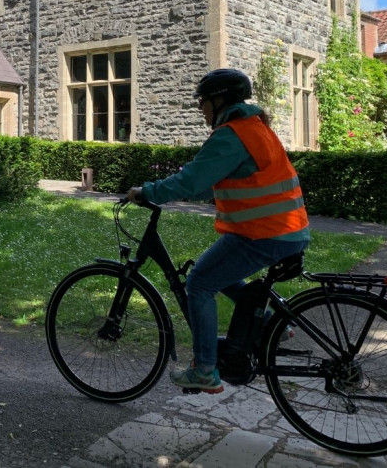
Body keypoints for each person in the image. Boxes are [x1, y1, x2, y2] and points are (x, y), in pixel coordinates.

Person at [126, 68, 310, 393]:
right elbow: (207, 180)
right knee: (210, 272)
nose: (200, 108)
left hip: (266, 233)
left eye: (203, 101)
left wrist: (148, 192)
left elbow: (193, 181)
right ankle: (270, 323)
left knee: (199, 283)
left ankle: (205, 370)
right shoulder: (255, 127)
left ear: (219, 100)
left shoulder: (232, 134)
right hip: (282, 229)